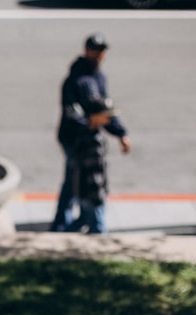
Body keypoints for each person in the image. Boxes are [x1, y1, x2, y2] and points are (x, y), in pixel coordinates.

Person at [52, 33, 131, 232]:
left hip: (90, 138)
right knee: (73, 179)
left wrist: (120, 133)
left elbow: (106, 109)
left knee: (87, 181)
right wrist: (89, 122)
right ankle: (62, 222)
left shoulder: (99, 77)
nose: (98, 54)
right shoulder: (75, 79)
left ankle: (81, 220)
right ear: (86, 50)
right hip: (73, 138)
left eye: (101, 50)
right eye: (94, 50)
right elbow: (72, 112)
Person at [62, 97, 116, 234]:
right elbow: (95, 171)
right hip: (93, 192)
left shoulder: (83, 132)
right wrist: (99, 194)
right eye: (106, 116)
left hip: (83, 191)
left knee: (83, 219)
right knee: (98, 227)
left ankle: (63, 235)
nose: (109, 119)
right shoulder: (94, 141)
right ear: (94, 116)